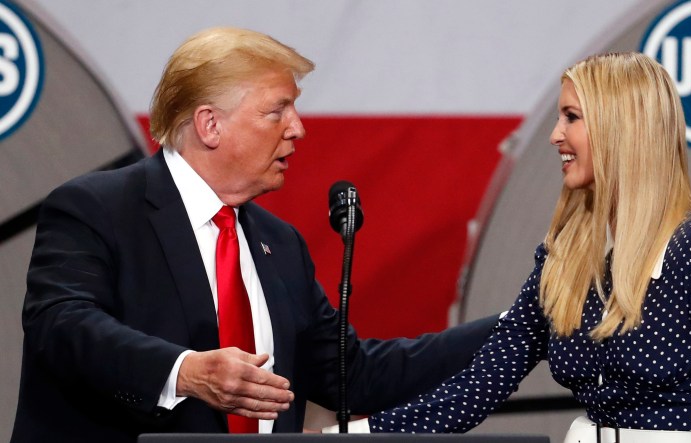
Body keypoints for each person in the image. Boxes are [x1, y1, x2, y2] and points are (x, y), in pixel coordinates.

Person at [10, 27, 498, 443]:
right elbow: (62, 326)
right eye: (277, 111)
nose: (298, 129)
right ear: (210, 125)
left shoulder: (280, 244)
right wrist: (186, 372)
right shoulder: (98, 208)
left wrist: (519, 323)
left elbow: (354, 375)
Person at [364, 52, 691, 442]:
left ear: (620, 128)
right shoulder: (564, 254)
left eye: (571, 117)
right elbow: (476, 387)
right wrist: (350, 436)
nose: (555, 135)